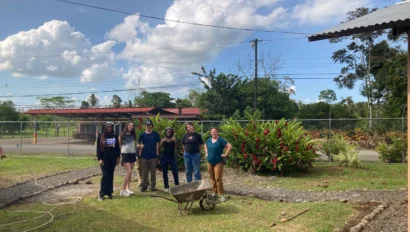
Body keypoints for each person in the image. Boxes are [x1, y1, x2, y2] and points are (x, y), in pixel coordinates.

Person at [205, 127, 232, 202]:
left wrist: (225, 154)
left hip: (218, 162)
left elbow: (229, 146)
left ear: (217, 132)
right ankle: (215, 192)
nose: (213, 133)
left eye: (215, 132)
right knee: (212, 178)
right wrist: (206, 153)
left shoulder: (221, 140)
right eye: (212, 132)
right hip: (209, 161)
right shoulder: (209, 140)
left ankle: (222, 195)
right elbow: (205, 145)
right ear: (210, 133)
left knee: (218, 178)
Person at [96, 122, 120, 201]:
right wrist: (100, 159)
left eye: (110, 127)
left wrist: (118, 157)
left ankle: (109, 192)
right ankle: (101, 193)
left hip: (112, 160)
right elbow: (98, 149)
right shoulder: (101, 137)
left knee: (110, 175)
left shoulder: (115, 136)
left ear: (112, 128)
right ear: (105, 127)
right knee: (105, 175)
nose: (109, 128)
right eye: (107, 127)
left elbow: (117, 148)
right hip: (104, 160)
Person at [138, 119, 160, 192]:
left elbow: (157, 145)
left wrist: (157, 155)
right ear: (145, 126)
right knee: (144, 172)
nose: (148, 127)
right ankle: (144, 186)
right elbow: (139, 145)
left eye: (149, 125)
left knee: (153, 172)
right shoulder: (142, 135)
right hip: (144, 156)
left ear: (152, 126)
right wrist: (139, 155)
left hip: (153, 156)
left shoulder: (155, 134)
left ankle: (153, 186)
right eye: (147, 125)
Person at [119, 121, 137, 197]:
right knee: (128, 172)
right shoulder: (122, 134)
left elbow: (133, 144)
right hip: (125, 154)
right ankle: (122, 190)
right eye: (129, 125)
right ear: (127, 126)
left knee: (131, 172)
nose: (131, 126)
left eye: (132, 126)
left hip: (132, 154)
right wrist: (121, 153)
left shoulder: (133, 134)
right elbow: (119, 144)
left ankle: (127, 188)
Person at [159, 127, 179, 192]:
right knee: (165, 173)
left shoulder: (174, 139)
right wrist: (162, 142)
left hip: (172, 157)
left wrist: (175, 141)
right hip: (164, 157)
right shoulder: (163, 140)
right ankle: (166, 187)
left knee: (175, 172)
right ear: (165, 132)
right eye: (167, 132)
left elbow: (176, 147)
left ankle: (177, 185)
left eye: (170, 132)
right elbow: (159, 148)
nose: (168, 133)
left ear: (172, 133)